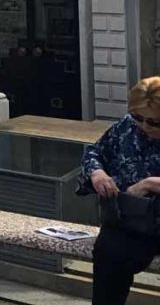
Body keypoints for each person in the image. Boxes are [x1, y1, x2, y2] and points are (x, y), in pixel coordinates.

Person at [81, 77, 160, 304]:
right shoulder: (127, 126)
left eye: (155, 122)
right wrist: (97, 173)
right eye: (139, 118)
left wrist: (149, 184)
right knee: (109, 252)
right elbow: (94, 152)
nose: (145, 126)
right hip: (129, 217)